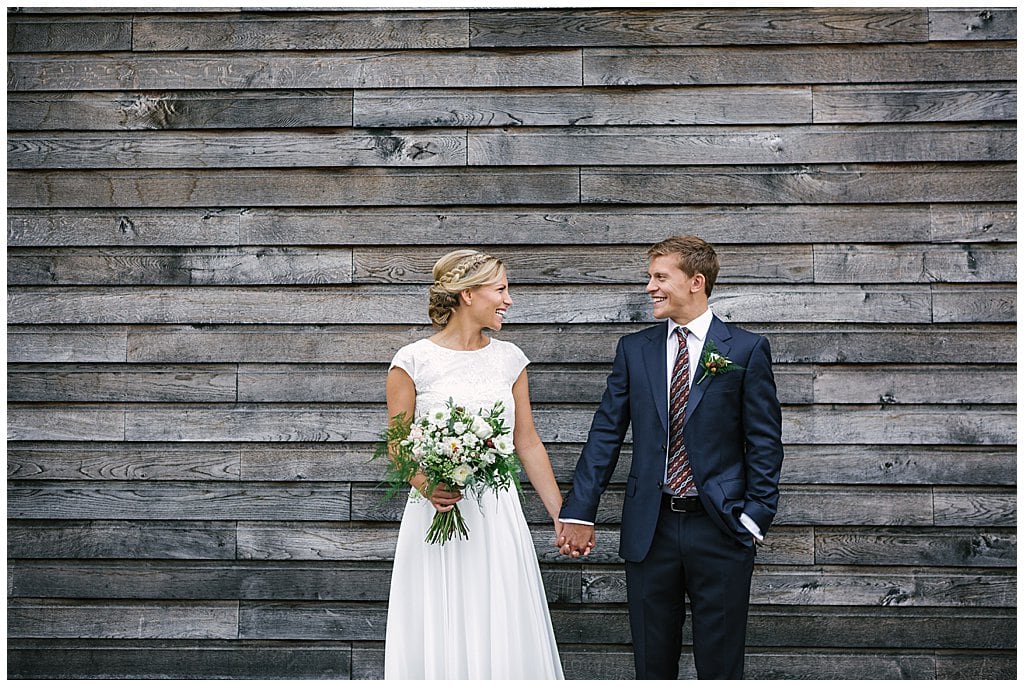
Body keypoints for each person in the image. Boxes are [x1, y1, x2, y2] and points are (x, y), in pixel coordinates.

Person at [558, 235, 784, 679]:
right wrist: (580, 510)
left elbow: (764, 441)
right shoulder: (634, 349)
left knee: (720, 665)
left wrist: (755, 516)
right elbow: (606, 432)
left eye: (660, 277)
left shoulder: (743, 349)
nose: (650, 287)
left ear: (696, 282)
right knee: (652, 663)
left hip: (721, 527)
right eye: (650, 277)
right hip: (651, 527)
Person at [383, 249, 564, 680]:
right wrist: (427, 483)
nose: (509, 300)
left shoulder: (509, 359)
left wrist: (562, 514)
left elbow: (527, 442)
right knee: (440, 616)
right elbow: (396, 444)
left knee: (499, 615)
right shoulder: (412, 361)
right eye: (500, 289)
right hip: (436, 511)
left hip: (496, 515)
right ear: (467, 294)